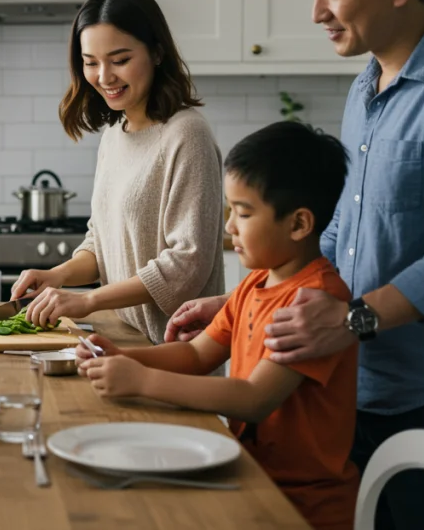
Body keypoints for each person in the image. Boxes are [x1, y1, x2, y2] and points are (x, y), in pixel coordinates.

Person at [163, 0, 424, 529]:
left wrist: (354, 319)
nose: (317, 11)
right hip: (342, 394)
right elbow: (342, 231)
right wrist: (253, 299)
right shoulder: (363, 88)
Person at [80, 122, 356, 529]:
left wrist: (141, 381)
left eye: (243, 213)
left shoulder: (315, 305)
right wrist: (123, 356)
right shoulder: (256, 283)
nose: (229, 227)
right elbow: (196, 353)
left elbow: (253, 398)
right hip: (250, 475)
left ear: (298, 224)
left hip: (303, 504)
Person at [10, 0, 225, 345]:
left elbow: (186, 263)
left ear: (156, 53)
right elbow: (102, 241)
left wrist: (89, 300)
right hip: (127, 341)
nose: (104, 76)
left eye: (120, 60)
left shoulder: (187, 134)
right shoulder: (114, 134)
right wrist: (58, 275)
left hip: (175, 354)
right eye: (90, 62)